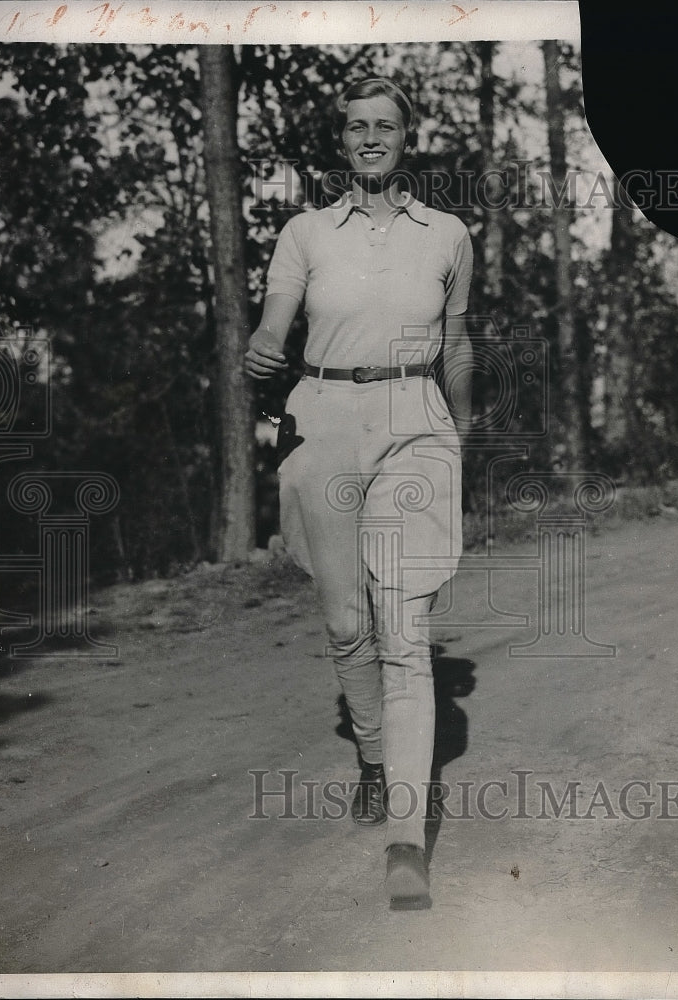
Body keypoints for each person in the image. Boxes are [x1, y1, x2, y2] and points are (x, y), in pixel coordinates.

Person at [244, 77, 473, 910]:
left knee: (405, 634)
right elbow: (277, 316)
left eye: (386, 125)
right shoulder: (305, 232)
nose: (371, 138)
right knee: (348, 624)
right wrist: (266, 346)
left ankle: (405, 841)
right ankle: (373, 758)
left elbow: (457, 344)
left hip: (416, 419)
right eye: (356, 127)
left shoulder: (449, 235)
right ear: (341, 144)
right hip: (324, 415)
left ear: (406, 140)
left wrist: (462, 435)